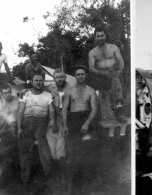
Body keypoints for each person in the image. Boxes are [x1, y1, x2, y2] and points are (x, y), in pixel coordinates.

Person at [62, 65, 97, 193]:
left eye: (82, 74)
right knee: (72, 153)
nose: (80, 76)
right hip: (73, 121)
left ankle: (86, 186)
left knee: (87, 153)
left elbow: (94, 109)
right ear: (75, 76)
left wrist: (87, 123)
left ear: (86, 75)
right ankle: (72, 188)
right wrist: (65, 125)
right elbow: (65, 109)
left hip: (86, 119)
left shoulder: (91, 90)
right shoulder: (69, 90)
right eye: (78, 74)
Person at [17, 74, 55, 183]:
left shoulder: (48, 95)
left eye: (40, 80)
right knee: (24, 149)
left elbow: (52, 110)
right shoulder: (26, 94)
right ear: (32, 82)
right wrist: (19, 128)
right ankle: (25, 176)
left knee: (44, 147)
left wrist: (52, 120)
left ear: (43, 82)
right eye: (36, 80)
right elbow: (20, 112)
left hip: (42, 122)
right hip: (27, 122)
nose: (38, 82)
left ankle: (48, 173)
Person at [88, 27, 126, 122]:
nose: (100, 38)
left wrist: (119, 71)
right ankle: (108, 117)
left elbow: (121, 61)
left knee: (118, 94)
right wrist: (103, 73)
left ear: (105, 36)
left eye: (102, 35)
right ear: (95, 37)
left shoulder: (113, 47)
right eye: (98, 36)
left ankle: (120, 113)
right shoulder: (92, 52)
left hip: (114, 75)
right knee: (104, 99)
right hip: (102, 78)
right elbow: (91, 68)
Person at [0, 83, 19, 167]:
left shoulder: (17, 100)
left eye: (8, 92)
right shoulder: (2, 106)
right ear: (1, 94)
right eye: (5, 93)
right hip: (7, 129)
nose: (7, 95)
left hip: (18, 126)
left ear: (11, 91)